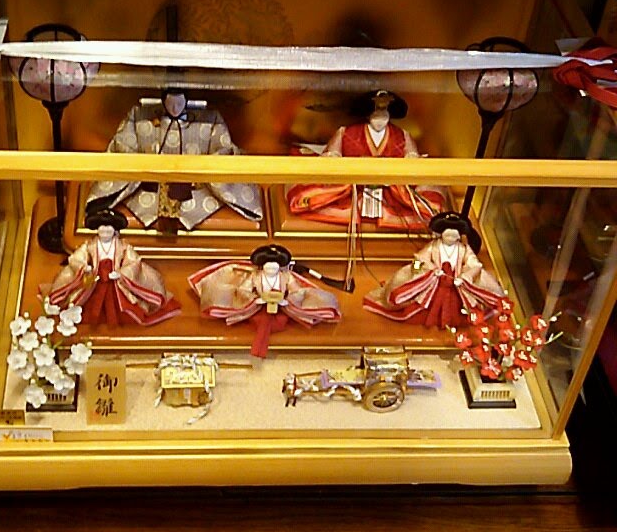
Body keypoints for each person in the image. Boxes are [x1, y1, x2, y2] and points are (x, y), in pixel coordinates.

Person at [86, 90, 263, 234]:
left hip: (197, 189)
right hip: (148, 186)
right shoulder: (140, 116)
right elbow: (123, 146)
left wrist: (198, 170)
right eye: (170, 104)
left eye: (179, 103)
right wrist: (146, 169)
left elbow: (222, 150)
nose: (175, 108)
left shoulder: (209, 120)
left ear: (186, 101)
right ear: (163, 102)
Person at [286, 90, 446, 230]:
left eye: (384, 109)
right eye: (376, 109)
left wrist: (396, 172)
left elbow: (412, 160)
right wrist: (349, 168)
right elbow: (332, 156)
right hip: (353, 189)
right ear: (368, 112)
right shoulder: (347, 132)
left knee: (425, 207)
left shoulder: (401, 135)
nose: (380, 115)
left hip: (391, 191)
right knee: (313, 198)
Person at [189, 243, 343, 357]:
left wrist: (286, 301)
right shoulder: (255, 276)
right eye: (268, 267)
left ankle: (259, 349)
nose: (271, 269)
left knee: (279, 321)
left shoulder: (286, 276)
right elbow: (244, 290)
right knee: (260, 320)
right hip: (257, 306)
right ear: (262, 267)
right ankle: (258, 349)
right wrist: (255, 300)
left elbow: (296, 291)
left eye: (274, 267)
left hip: (282, 307)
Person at [364, 211, 508, 327]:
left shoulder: (463, 249)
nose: (451, 235)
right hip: (434, 283)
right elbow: (420, 259)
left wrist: (465, 276)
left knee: (459, 309)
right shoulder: (434, 246)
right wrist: (432, 270)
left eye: (454, 233)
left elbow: (475, 265)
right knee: (422, 306)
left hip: (456, 285)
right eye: (448, 232)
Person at [42, 224, 180, 328]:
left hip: (116, 282)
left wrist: (121, 273)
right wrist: (85, 267)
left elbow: (134, 261)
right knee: (87, 305)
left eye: (109, 228)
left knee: (122, 306)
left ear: (115, 230)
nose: (105, 231)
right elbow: (76, 258)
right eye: (102, 227)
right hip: (95, 280)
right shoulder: (90, 245)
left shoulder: (122, 246)